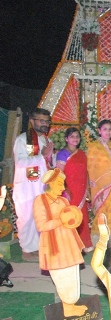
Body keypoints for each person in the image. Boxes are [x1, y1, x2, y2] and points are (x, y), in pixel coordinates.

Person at [33, 169, 87, 317]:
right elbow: (41, 226)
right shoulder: (40, 200)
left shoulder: (64, 201)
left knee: (72, 274)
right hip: (54, 247)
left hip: (69, 243)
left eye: (63, 184)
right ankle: (67, 307)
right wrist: (61, 220)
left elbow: (71, 220)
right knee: (61, 276)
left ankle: (71, 305)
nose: (63, 188)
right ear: (50, 184)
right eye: (59, 184)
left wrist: (75, 218)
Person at [13, 108, 54, 261]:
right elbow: (21, 162)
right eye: (41, 121)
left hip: (41, 187)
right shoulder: (23, 140)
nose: (45, 124)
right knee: (27, 218)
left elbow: (47, 163)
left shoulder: (45, 140)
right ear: (31, 121)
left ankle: (36, 248)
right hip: (27, 187)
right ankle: (26, 250)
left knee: (40, 217)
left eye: (47, 121)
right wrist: (42, 156)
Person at [87, 120, 111, 247]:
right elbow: (91, 168)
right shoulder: (94, 147)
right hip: (101, 187)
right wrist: (101, 182)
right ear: (99, 131)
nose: (108, 132)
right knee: (103, 212)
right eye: (105, 129)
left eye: (110, 129)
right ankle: (101, 240)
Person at [55, 127, 92, 252]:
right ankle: (69, 245)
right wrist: (65, 189)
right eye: (72, 136)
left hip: (81, 190)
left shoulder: (81, 153)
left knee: (82, 216)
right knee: (70, 216)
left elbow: (85, 173)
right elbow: (58, 174)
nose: (75, 139)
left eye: (77, 136)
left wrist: (87, 189)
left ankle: (83, 243)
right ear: (66, 139)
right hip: (69, 190)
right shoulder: (62, 154)